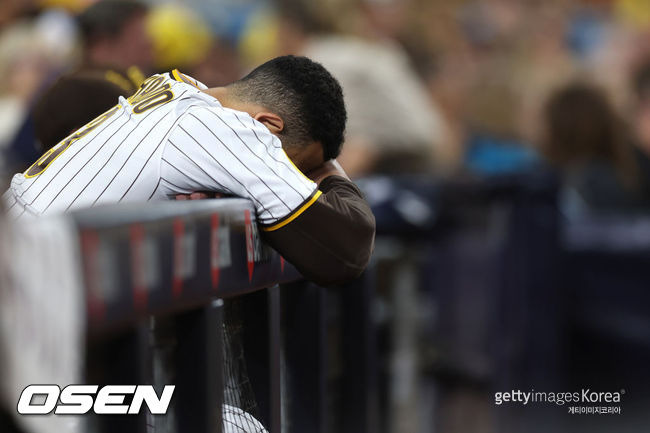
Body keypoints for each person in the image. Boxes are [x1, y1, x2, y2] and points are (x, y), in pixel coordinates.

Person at [4, 55, 375, 286]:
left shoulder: (174, 95)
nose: (297, 179)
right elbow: (344, 251)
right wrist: (328, 171)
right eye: (296, 166)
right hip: (21, 294)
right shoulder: (220, 127)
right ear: (268, 125)